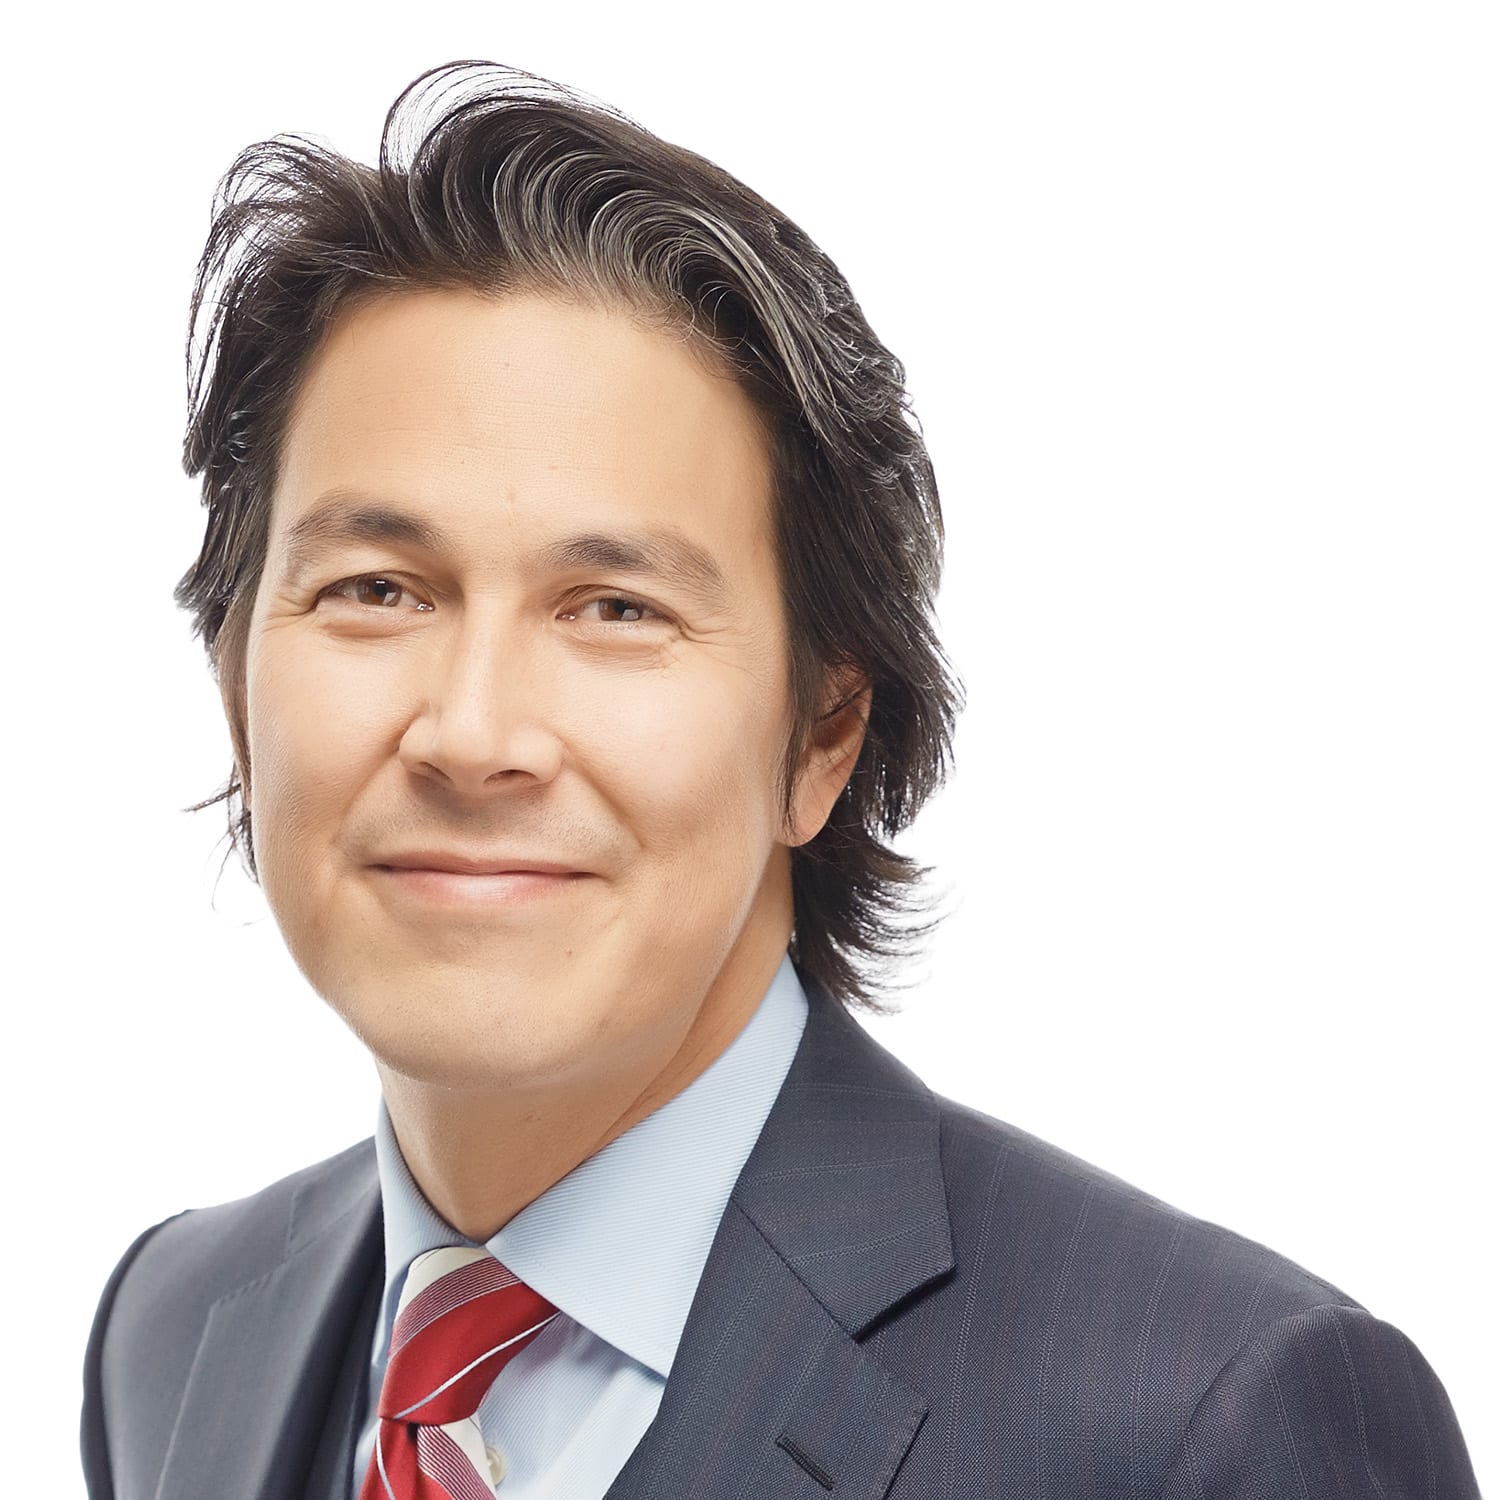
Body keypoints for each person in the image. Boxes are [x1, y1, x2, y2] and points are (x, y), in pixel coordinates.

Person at [80, 59, 1480, 1500]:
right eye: (376, 590)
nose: (472, 731)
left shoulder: (1206, 1422)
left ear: (823, 736)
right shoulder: (175, 1334)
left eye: (615, 608)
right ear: (236, 686)